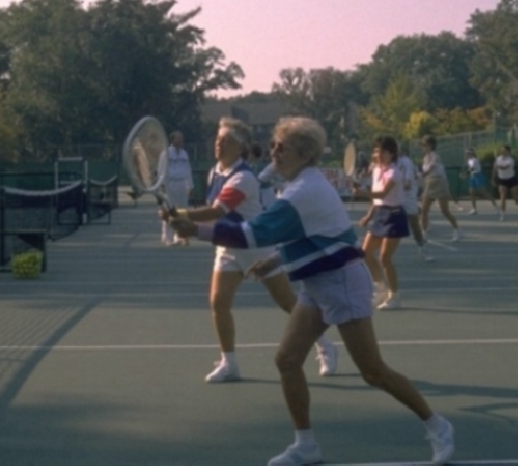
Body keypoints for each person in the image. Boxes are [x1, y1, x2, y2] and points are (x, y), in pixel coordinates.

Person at [169, 117, 454, 465]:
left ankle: (437, 426)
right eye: (273, 146)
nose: (274, 152)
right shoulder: (298, 184)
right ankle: (306, 445)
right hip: (317, 283)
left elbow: (253, 234)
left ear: (304, 155)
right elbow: (320, 235)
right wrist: (276, 259)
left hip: (342, 283)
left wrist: (194, 229)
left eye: (282, 148)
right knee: (287, 360)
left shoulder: (303, 191)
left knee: (373, 371)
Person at [160, 117, 338, 383]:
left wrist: (180, 214)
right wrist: (178, 216)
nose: (219, 144)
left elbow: (217, 211)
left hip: (257, 247)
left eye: (226, 140)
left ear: (240, 147)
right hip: (227, 247)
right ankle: (229, 362)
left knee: (287, 303)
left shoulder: (243, 177)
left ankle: (324, 344)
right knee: (218, 303)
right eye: (218, 139)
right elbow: (215, 216)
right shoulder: (214, 173)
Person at [354, 136, 410, 310]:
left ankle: (394, 296)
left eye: (383, 151)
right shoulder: (376, 169)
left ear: (392, 154)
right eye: (377, 150)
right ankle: (380, 289)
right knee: (365, 253)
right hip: (380, 215)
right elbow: (376, 199)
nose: (378, 154)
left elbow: (382, 194)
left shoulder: (395, 172)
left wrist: (362, 193)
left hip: (395, 216)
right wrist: (369, 216)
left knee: (385, 258)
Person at [419, 135, 462, 242]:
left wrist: (421, 174)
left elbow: (431, 168)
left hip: (439, 182)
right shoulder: (425, 158)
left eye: (424, 145)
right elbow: (425, 173)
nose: (423, 147)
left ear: (430, 145)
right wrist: (422, 183)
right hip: (429, 182)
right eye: (422, 145)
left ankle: (456, 229)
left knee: (445, 211)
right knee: (424, 210)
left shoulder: (436, 156)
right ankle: (424, 233)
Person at [397, 149, 434, 262]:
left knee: (413, 223)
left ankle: (422, 249)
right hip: (394, 198)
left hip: (407, 197)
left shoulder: (406, 162)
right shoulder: (385, 164)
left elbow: (407, 184)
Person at [159, 131, 194, 245]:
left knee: (182, 211)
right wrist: (162, 185)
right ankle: (167, 237)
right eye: (178, 138)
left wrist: (190, 185)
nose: (181, 141)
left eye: (181, 138)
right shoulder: (166, 153)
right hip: (170, 184)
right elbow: (161, 169)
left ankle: (180, 236)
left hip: (182, 184)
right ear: (173, 140)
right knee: (169, 210)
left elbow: (188, 170)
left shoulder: (184, 154)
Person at [463, 148, 499, 216]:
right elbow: (470, 169)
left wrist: (465, 175)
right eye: (466, 153)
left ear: (471, 153)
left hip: (478, 176)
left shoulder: (475, 160)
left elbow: (472, 168)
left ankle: (496, 207)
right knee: (471, 193)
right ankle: (474, 209)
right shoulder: (469, 160)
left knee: (484, 192)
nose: (466, 155)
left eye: (468, 153)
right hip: (472, 177)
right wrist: (467, 175)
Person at [492, 145, 518, 221]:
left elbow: (505, 167)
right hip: (502, 180)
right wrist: (493, 178)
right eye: (502, 150)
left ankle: (516, 201)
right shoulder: (498, 159)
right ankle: (503, 214)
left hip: (511, 179)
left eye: (504, 150)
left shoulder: (511, 160)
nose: (503, 152)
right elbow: (494, 170)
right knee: (502, 196)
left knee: (515, 195)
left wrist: (498, 166)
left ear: (508, 152)